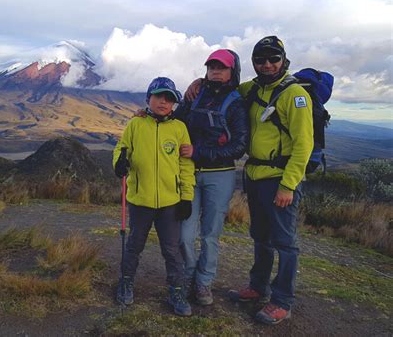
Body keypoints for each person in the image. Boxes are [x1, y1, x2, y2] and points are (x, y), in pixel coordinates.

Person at [186, 36, 313, 325]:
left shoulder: (294, 95)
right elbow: (221, 85)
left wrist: (288, 185)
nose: (267, 65)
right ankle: (258, 287)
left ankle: (282, 301)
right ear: (253, 63)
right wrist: (198, 81)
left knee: (285, 241)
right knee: (260, 236)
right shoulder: (252, 89)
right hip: (254, 175)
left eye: (273, 59)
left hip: (280, 177)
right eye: (260, 59)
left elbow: (304, 145)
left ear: (283, 60)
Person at [113, 77, 196, 317]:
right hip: (140, 200)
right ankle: (126, 283)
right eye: (159, 96)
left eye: (169, 98)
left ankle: (177, 291)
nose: (163, 102)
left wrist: (186, 197)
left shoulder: (179, 128)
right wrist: (118, 163)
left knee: (172, 249)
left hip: (170, 203)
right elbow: (122, 149)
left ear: (174, 104)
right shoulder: (135, 125)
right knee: (134, 245)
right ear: (148, 98)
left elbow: (185, 164)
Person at [175, 49, 248, 305]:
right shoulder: (195, 95)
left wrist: (198, 151)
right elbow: (173, 122)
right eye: (211, 66)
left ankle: (203, 284)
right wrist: (147, 116)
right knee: (184, 234)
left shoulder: (237, 102)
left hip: (221, 176)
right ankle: (188, 275)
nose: (215, 71)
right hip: (190, 175)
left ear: (232, 71)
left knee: (209, 235)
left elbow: (239, 146)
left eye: (222, 67)